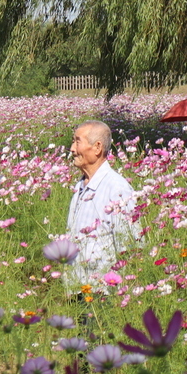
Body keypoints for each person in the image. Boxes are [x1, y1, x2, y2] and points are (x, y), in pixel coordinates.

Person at [67, 120, 137, 295]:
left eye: (77, 141)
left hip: (103, 294)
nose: (72, 149)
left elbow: (131, 247)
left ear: (97, 147)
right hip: (78, 290)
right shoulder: (79, 187)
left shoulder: (116, 188)